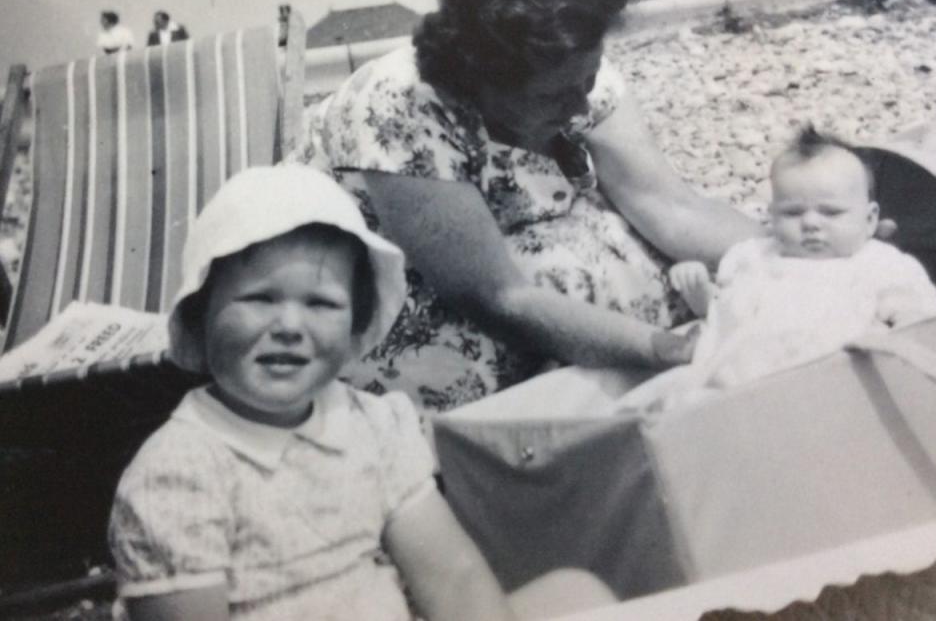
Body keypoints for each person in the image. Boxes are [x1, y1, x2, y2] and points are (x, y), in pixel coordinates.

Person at [108, 164, 615, 620]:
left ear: (356, 327)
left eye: (321, 304)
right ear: (199, 316)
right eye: (259, 299)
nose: (289, 325)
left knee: (577, 594)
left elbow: (451, 577)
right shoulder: (176, 477)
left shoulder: (371, 424)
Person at [293, 0, 758, 412]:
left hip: (512, 266)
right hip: (401, 289)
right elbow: (496, 296)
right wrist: (667, 350)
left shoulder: (566, 63)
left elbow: (669, 205)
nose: (580, 105)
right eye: (554, 96)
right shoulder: (399, 107)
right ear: (480, 80)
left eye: (589, 80)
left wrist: (792, 259)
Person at [618, 128, 936, 414]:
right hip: (739, 382)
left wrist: (904, 323)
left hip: (837, 381)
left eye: (831, 212)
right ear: (771, 216)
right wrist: (701, 294)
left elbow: (917, 313)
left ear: (870, 219)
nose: (811, 223)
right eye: (792, 212)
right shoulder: (755, 256)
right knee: (674, 402)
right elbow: (726, 316)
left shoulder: (878, 262)